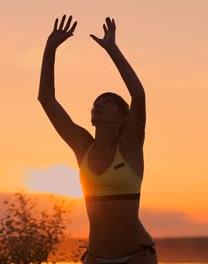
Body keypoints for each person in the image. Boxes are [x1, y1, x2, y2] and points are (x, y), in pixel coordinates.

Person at [38, 15, 157, 264]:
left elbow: (138, 94)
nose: (98, 106)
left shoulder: (130, 146)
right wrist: (50, 48)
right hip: (95, 258)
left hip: (136, 257)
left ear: (123, 118)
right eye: (96, 104)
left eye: (107, 103)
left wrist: (112, 49)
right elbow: (46, 98)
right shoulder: (83, 146)